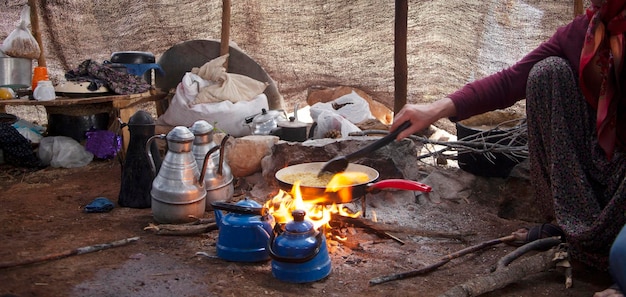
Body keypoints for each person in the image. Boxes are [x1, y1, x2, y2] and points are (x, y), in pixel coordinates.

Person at [390, 1, 626, 296]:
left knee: (621, 258)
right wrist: (435, 109)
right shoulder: (587, 31)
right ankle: (577, 228)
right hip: (603, 151)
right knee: (546, 74)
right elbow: (512, 80)